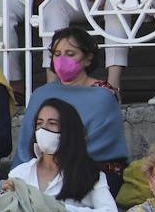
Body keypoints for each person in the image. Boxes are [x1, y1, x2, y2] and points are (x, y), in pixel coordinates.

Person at [5, 98, 120, 212]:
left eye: (52, 123)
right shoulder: (19, 173)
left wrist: (57, 210)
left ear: (69, 131)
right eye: (39, 124)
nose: (43, 129)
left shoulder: (88, 174)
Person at [13, 28, 126, 182]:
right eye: (57, 54)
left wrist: (58, 169)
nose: (62, 59)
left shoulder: (104, 95)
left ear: (88, 58)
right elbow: (25, 146)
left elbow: (102, 148)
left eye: (70, 54)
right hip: (41, 172)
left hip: (90, 174)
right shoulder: (40, 94)